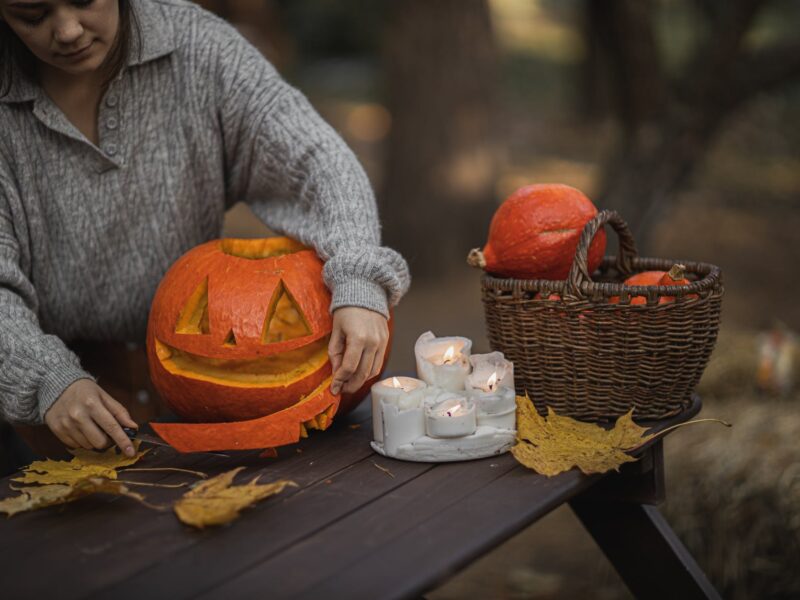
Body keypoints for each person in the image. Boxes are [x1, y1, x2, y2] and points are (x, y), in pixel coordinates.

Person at [0, 0, 410, 458]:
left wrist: (357, 271)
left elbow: (316, 158)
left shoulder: (197, 47)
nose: (68, 30)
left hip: (200, 398)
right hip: (47, 418)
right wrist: (44, 378)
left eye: (83, 0)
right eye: (32, 14)